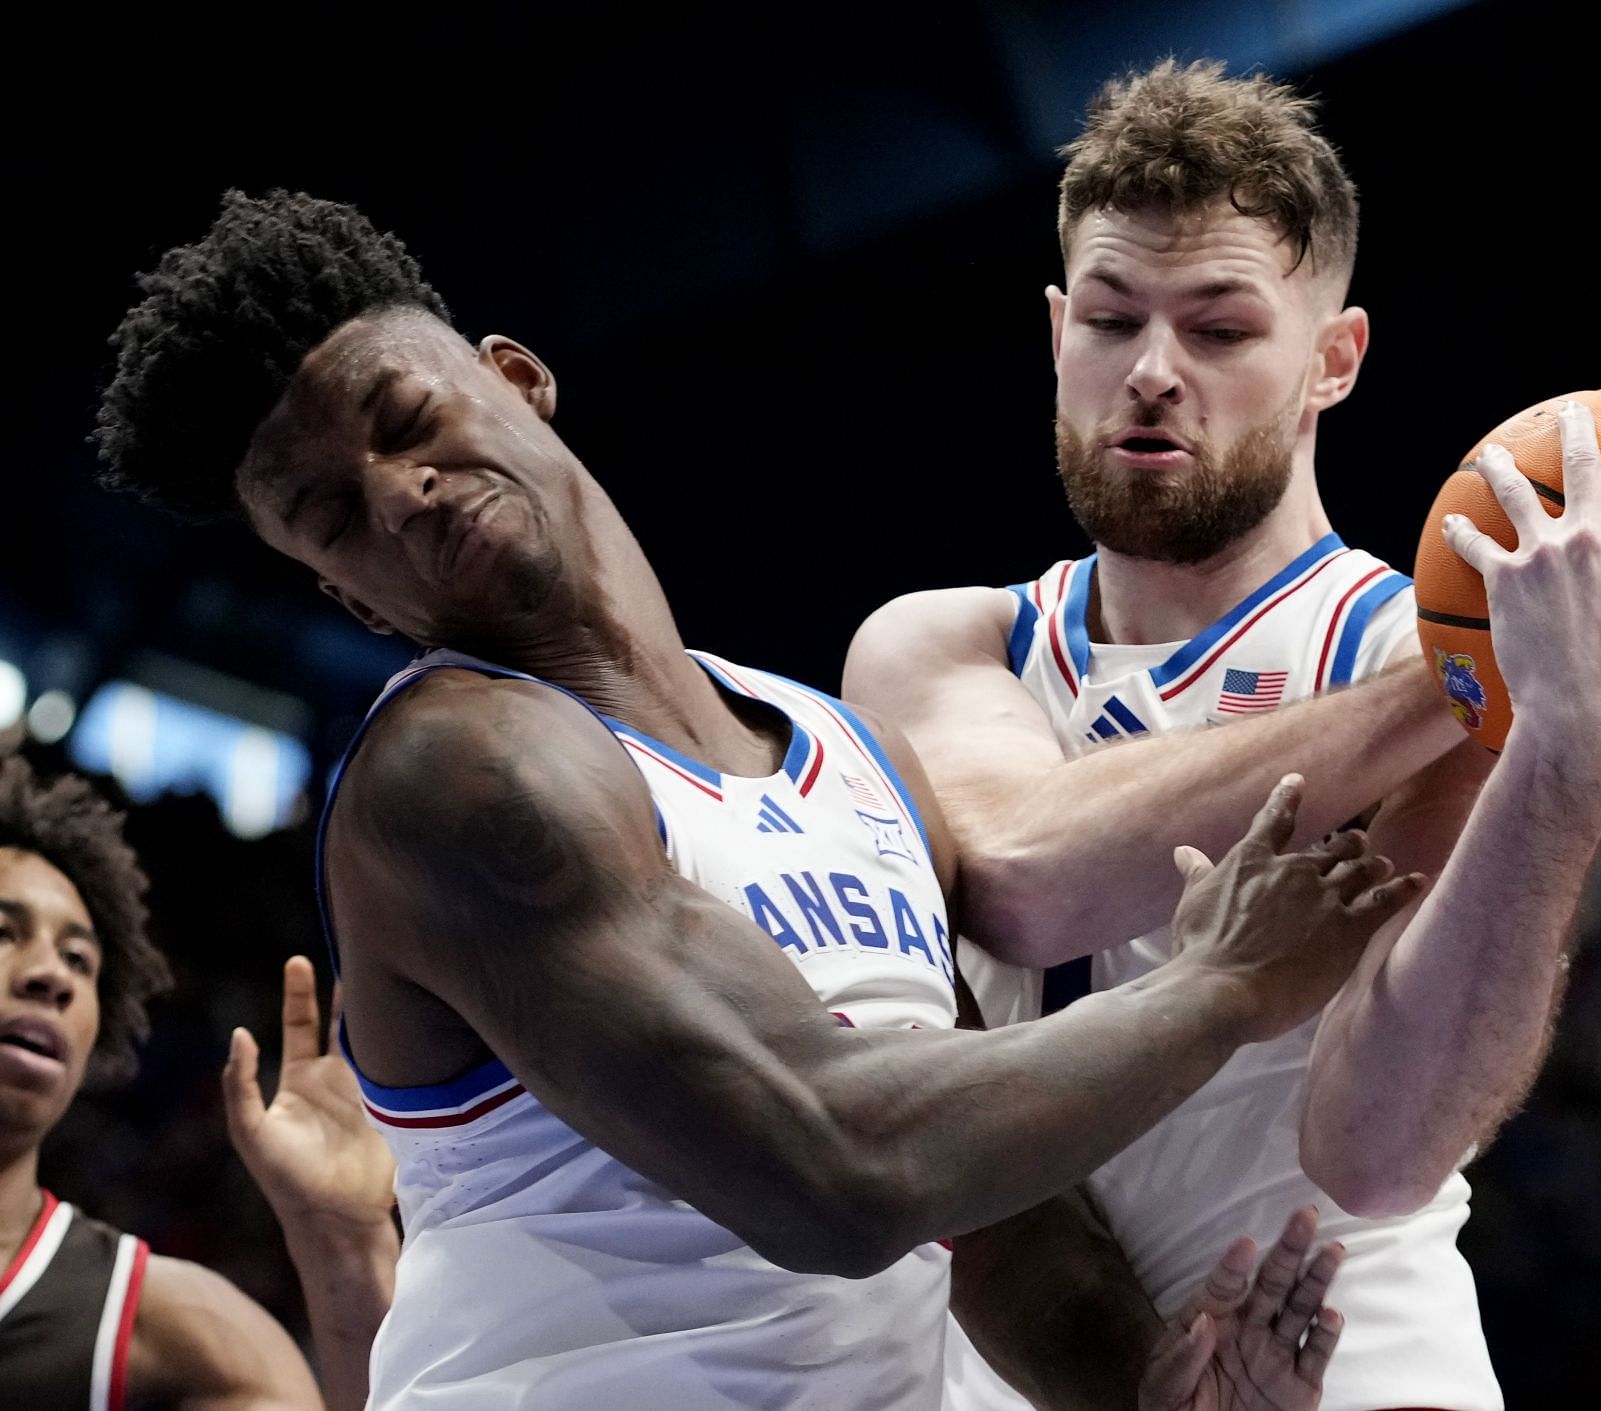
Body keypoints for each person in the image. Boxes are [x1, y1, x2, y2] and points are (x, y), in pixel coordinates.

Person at [93, 188, 1423, 1409]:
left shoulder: (852, 752)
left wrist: (1160, 1384)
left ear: (516, 377)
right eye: (330, 513)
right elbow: (836, 1170)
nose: (399, 491)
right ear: (339, 590)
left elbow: (1000, 1230)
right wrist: (1217, 987)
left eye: (402, 420)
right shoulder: (457, 775)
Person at [841, 60, 1601, 1411]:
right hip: (1010, 1377)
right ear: (1056, 331)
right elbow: (1026, 876)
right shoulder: (940, 644)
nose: (1152, 372)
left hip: (1346, 1358)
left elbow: (1379, 1147)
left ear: (1333, 359)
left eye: (1219, 330)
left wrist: (1567, 742)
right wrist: (1467, 677)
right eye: (1111, 318)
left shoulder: (1400, 648)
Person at [0, 751, 331, 1408]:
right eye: (4, 931)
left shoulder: (186, 1338)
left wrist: (349, 1251)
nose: (54, 976)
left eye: (80, 959)